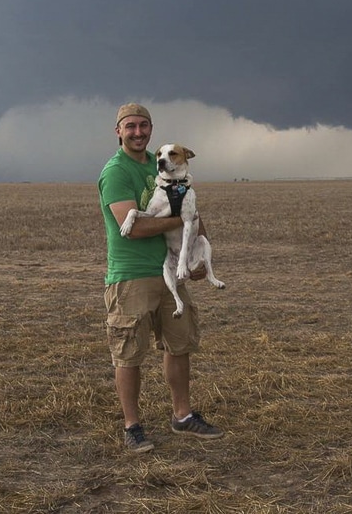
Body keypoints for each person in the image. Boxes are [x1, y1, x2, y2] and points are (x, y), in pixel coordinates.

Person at [98, 102, 224, 453]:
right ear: (118, 131)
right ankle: (132, 426)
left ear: (151, 130)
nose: (137, 133)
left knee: (179, 345)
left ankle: (182, 416)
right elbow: (133, 228)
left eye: (143, 126)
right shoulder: (116, 172)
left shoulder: (165, 164)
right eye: (130, 127)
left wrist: (200, 252)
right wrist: (182, 220)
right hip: (131, 276)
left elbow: (194, 212)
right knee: (128, 353)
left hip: (171, 269)